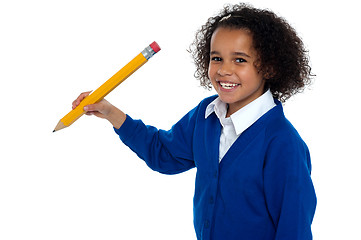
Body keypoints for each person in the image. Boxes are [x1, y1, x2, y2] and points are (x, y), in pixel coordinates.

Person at [73, 3, 317, 239]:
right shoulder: (206, 115)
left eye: (240, 60)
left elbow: (293, 228)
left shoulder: (283, 144)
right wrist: (110, 112)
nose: (223, 70)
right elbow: (164, 155)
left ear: (270, 67)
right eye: (216, 58)